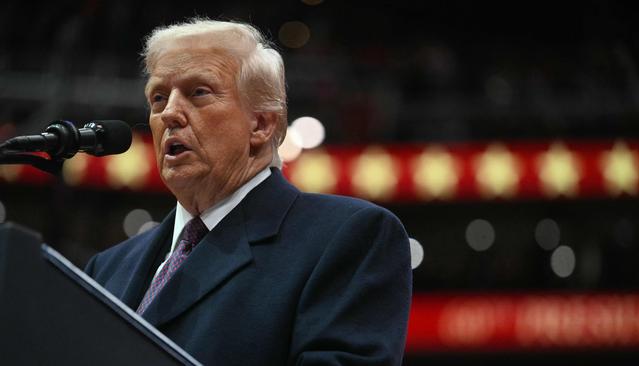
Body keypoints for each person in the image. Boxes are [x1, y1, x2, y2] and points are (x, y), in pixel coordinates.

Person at [84, 18, 412, 365]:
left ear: (261, 123)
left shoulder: (347, 237)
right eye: (158, 97)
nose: (169, 113)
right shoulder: (105, 269)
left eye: (198, 92)